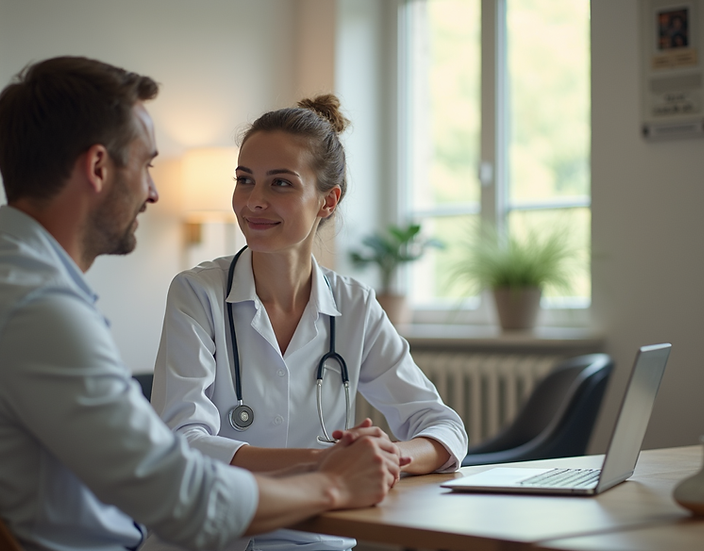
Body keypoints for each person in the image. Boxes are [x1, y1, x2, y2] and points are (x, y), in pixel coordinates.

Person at [0, 57, 405, 551]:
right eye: (147, 164)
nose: (154, 192)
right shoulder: (37, 310)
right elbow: (186, 502)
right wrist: (333, 482)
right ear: (98, 167)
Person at [148, 95, 468, 551]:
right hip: (213, 540)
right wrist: (329, 464)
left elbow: (443, 427)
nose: (254, 201)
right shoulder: (197, 293)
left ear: (327, 201)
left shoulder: (355, 305)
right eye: (244, 180)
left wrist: (384, 457)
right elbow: (183, 442)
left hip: (317, 542)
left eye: (280, 183)